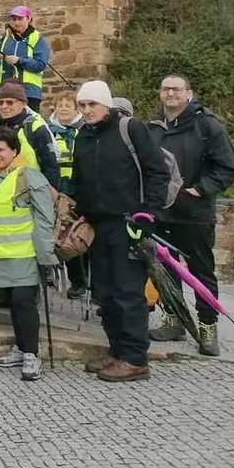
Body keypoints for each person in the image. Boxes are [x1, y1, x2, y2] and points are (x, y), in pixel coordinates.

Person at [72, 80, 169, 382]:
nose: (87, 111)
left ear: (107, 105)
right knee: (106, 292)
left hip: (129, 222)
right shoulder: (83, 137)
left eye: (92, 105)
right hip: (98, 224)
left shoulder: (131, 129)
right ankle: (116, 351)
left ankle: (135, 358)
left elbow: (157, 171)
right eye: (82, 105)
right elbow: (80, 179)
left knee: (128, 292)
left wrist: (148, 213)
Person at [148, 74, 234, 356]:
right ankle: (174, 319)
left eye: (176, 89)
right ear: (160, 94)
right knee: (166, 271)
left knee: (201, 272)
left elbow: (226, 168)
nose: (171, 93)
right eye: (165, 89)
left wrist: (201, 189)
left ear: (189, 93)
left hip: (195, 214)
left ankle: (208, 325)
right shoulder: (153, 127)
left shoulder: (207, 125)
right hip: (162, 214)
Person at [0, 81, 61, 307]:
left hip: (24, 193)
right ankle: (1, 292)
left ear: (22, 103)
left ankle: (28, 292)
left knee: (24, 246)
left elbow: (49, 161)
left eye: (10, 102)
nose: (5, 106)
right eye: (1, 102)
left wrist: (52, 192)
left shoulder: (35, 126)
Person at [0, 126, 58, 382]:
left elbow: (45, 216)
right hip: (1, 254)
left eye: (1, 149)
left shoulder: (28, 176)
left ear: (14, 151)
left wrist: (45, 252)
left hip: (25, 252)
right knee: (14, 303)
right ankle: (20, 348)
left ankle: (32, 355)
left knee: (24, 302)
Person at [46, 89, 88, 299]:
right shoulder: (47, 131)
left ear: (76, 109)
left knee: (73, 236)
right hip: (55, 191)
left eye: (68, 105)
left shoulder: (83, 131)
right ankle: (50, 274)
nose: (63, 109)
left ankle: (79, 281)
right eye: (60, 105)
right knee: (52, 234)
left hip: (77, 191)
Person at [0, 5, 51, 112]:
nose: (17, 23)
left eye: (20, 19)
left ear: (29, 19)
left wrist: (19, 60)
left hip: (29, 93)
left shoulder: (37, 38)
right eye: (14, 19)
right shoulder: (5, 38)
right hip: (4, 92)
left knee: (28, 126)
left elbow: (40, 64)